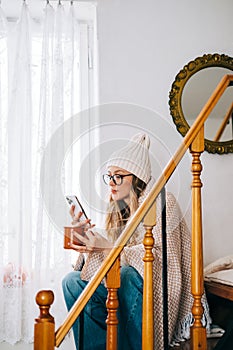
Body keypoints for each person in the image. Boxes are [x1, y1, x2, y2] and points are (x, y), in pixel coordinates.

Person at [62, 133, 211, 350]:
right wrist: (88, 242)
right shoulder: (118, 210)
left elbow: (159, 261)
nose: (111, 183)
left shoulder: (163, 202)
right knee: (72, 281)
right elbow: (113, 257)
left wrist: (107, 247)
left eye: (119, 176)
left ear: (137, 179)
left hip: (156, 291)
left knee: (128, 275)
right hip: (123, 289)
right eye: (109, 176)